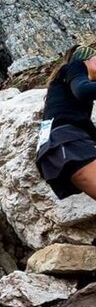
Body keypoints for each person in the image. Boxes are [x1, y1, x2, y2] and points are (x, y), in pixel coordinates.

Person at [36, 42, 96, 200]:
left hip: (56, 148)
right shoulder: (75, 66)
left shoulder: (64, 95)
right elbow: (83, 91)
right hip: (66, 142)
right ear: (86, 59)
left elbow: (84, 125)